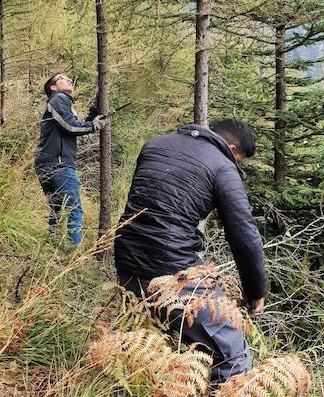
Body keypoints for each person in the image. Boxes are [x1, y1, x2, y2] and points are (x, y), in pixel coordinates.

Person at [114, 119, 267, 383]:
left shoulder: (156, 144)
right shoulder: (222, 166)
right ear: (231, 148)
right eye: (238, 160)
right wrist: (256, 292)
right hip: (170, 267)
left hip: (126, 256)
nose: (236, 165)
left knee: (149, 341)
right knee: (231, 351)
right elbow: (244, 236)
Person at [35, 74, 107, 245]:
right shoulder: (59, 98)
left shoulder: (61, 103)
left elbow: (73, 124)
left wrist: (93, 114)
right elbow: (70, 127)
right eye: (62, 78)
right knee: (74, 210)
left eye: (69, 78)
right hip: (58, 164)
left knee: (57, 210)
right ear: (53, 87)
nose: (68, 80)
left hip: (48, 163)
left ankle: (52, 250)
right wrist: (93, 126)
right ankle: (72, 256)